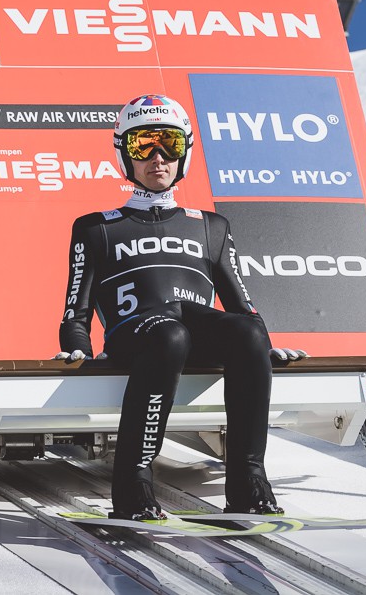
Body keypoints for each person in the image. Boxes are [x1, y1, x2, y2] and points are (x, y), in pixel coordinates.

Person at [56, 94, 306, 521]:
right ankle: (133, 486)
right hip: (138, 334)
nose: (158, 157)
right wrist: (77, 350)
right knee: (171, 333)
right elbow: (74, 313)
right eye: (143, 145)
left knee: (246, 333)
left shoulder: (211, 226)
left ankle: (249, 483)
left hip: (189, 331)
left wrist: (263, 346)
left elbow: (243, 308)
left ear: (185, 152)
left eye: (169, 144)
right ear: (124, 155)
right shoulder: (95, 228)